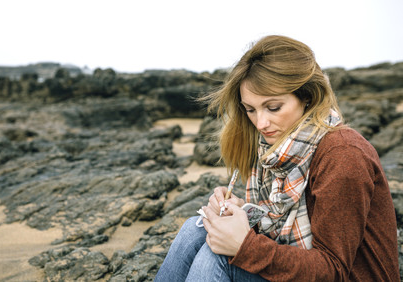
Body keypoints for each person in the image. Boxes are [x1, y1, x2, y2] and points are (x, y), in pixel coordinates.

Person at [155, 35, 399, 281]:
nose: (261, 123)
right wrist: (243, 213)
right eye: (250, 110)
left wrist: (244, 246)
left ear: (307, 98)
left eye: (273, 108)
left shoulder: (343, 154)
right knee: (195, 229)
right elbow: (280, 215)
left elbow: (333, 271)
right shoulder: (278, 150)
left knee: (217, 256)